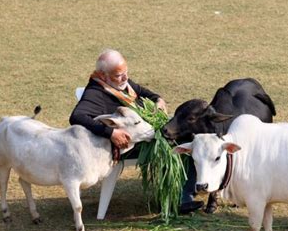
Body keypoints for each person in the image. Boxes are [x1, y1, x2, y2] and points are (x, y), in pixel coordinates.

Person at [70, 49, 203, 214]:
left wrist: (158, 100)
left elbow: (144, 92)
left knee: (188, 133)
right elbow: (77, 116)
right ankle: (177, 200)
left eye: (126, 72)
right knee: (179, 142)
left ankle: (186, 191)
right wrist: (110, 133)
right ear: (103, 76)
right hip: (128, 144)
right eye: (119, 75)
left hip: (144, 131)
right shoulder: (95, 93)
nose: (125, 78)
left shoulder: (122, 83)